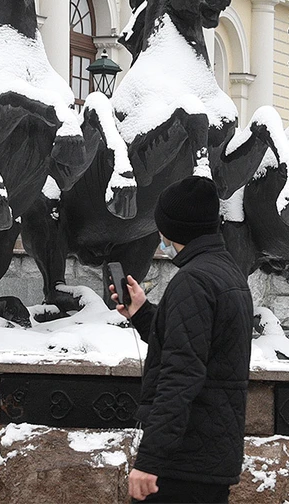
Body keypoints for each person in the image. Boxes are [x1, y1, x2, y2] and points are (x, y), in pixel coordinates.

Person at [110, 176, 253, 503]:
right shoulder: (226, 273)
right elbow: (197, 346)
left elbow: (181, 376)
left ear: (174, 228)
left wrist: (150, 461)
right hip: (207, 459)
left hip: (181, 465)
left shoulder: (193, 281)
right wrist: (142, 312)